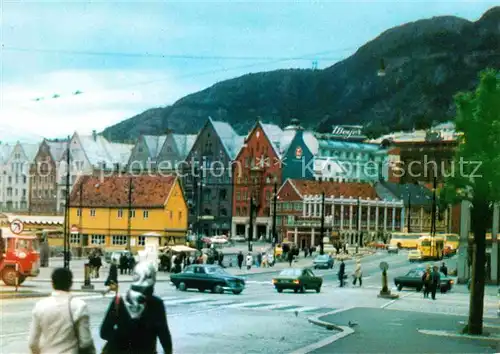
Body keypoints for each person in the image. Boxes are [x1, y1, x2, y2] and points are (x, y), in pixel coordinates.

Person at [100, 262, 172, 354]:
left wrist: (122, 339)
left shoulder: (118, 302)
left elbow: (104, 332)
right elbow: (164, 336)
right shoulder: (156, 304)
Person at [28, 268, 95, 354]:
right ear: (71, 283)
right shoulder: (79, 306)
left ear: (52, 283)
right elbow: (85, 342)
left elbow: (32, 343)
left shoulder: (40, 306)